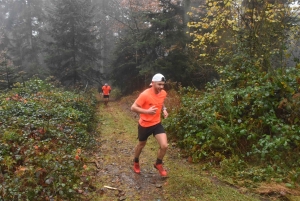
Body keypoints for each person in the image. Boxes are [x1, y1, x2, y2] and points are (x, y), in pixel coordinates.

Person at [131, 73, 169, 177]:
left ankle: (158, 164)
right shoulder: (145, 95)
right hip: (144, 124)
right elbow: (133, 107)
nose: (161, 87)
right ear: (152, 83)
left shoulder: (163, 93)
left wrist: (164, 109)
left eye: (163, 85)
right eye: (159, 84)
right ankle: (136, 161)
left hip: (157, 123)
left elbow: (161, 101)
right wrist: (147, 112)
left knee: (164, 145)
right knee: (141, 145)